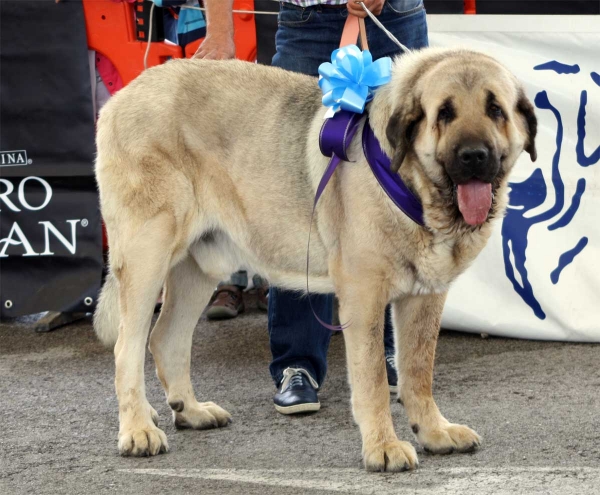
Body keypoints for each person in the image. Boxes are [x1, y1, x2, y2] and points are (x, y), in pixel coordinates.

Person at [194, 0, 428, 414]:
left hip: (396, 15)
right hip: (306, 21)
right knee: (297, 195)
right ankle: (296, 364)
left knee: (400, 193)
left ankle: (389, 353)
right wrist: (219, 32)